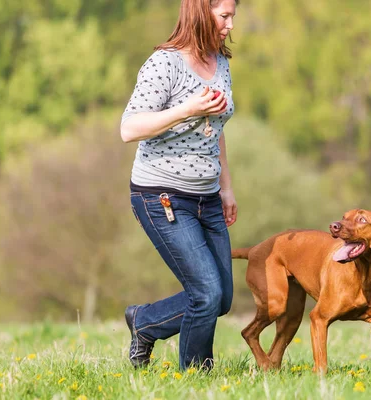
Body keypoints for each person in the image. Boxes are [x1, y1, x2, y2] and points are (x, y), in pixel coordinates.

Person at [120, 0, 239, 371]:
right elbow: (129, 128)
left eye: (233, 15)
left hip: (207, 196)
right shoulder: (164, 63)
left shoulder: (221, 62)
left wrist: (226, 186)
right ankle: (195, 378)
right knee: (206, 294)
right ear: (202, 12)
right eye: (225, 15)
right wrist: (187, 108)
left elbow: (215, 128)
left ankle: (144, 322)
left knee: (221, 299)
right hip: (161, 195)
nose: (231, 24)